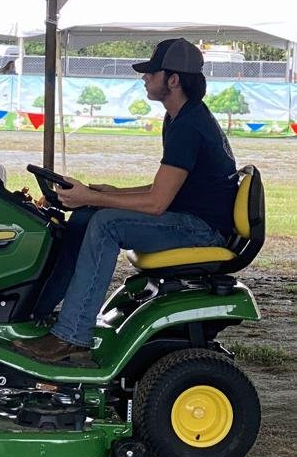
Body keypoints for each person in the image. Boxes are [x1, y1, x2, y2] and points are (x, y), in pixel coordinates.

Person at [15, 38, 237, 364]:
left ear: (173, 80)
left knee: (106, 224)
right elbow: (164, 187)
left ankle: (72, 335)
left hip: (201, 230)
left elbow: (157, 203)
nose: (144, 78)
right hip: (190, 219)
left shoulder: (188, 125)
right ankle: (37, 312)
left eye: (152, 72)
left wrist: (94, 197)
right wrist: (109, 193)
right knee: (87, 215)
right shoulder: (180, 117)